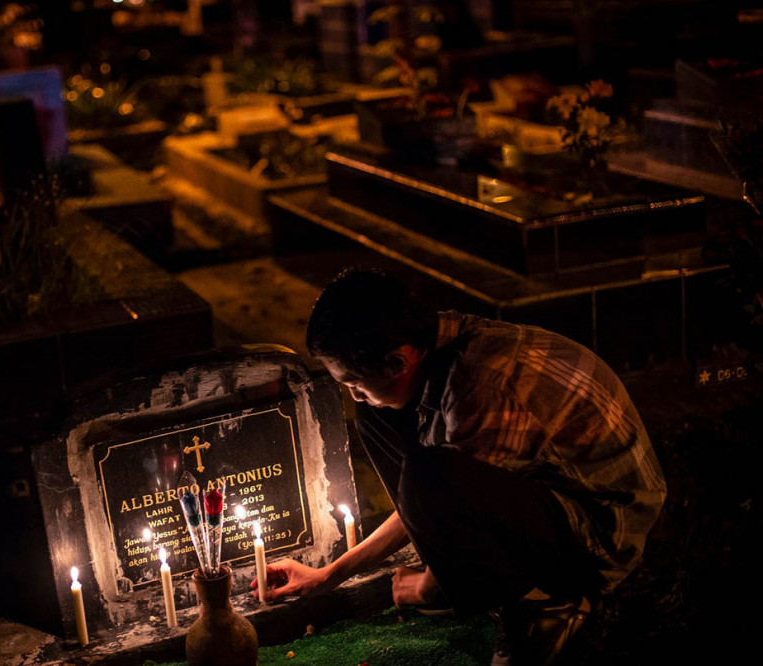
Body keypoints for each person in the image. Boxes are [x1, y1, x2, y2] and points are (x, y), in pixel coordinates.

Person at [253, 268, 667, 665]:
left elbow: (436, 490)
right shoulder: (439, 337)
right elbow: (430, 498)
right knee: (379, 416)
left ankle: (548, 605)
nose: (355, 396)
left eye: (355, 383)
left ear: (399, 361)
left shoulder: (475, 390)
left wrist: (426, 588)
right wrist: (329, 575)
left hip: (597, 536)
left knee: (424, 473)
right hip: (544, 490)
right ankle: (461, 570)